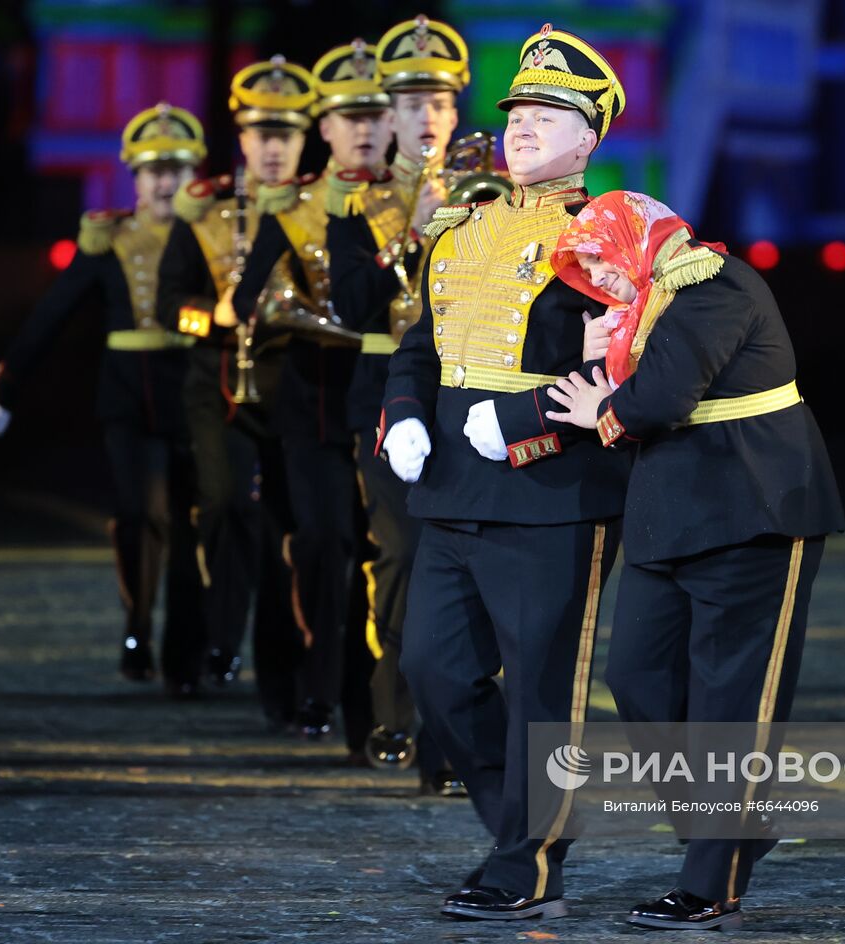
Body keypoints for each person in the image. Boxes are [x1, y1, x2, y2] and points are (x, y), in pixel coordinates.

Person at [378, 23, 630, 921]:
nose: (522, 123)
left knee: (541, 692)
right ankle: (513, 828)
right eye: (518, 107)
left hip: (552, 493)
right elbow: (419, 346)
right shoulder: (462, 228)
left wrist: (519, 420)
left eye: (549, 109)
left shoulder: (615, 239)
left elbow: (626, 371)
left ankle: (530, 856)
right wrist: (405, 415)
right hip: (451, 487)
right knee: (433, 668)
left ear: (589, 136)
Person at [543, 190, 844, 929]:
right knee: (637, 679)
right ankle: (733, 828)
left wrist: (604, 407)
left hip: (755, 510)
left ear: (638, 240)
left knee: (730, 706)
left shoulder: (713, 281)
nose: (604, 284)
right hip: (671, 515)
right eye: (589, 273)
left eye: (604, 264)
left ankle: (713, 879)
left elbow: (664, 398)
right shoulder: (641, 310)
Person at [0, 103, 207, 697]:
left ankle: (186, 654)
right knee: (139, 514)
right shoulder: (109, 239)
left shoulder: (212, 235)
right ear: (134, 176)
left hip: (197, 389)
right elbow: (52, 314)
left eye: (177, 169)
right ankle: (137, 624)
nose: (164, 182)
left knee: (192, 526)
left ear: (194, 175)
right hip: (129, 395)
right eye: (153, 170)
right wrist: (5, 386)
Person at [322, 14, 474, 790]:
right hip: (386, 399)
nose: (425, 118)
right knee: (405, 558)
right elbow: (349, 307)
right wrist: (403, 240)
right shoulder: (355, 209)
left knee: (473, 571)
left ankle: (452, 741)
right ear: (388, 113)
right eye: (409, 103)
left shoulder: (494, 191)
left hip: (477, 399)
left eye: (438, 103)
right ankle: (396, 714)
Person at [229, 39, 394, 750]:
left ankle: (375, 711)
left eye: (374, 115)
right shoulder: (293, 210)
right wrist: (294, 310)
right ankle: (318, 691)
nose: (362, 128)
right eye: (345, 117)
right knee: (324, 546)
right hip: (314, 398)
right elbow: (242, 302)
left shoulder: (415, 203)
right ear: (321, 128)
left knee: (379, 553)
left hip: (393, 395)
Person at [157, 56, 317, 728]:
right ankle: (220, 637)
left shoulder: (320, 209)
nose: (274, 147)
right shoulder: (208, 211)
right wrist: (212, 314)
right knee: (224, 504)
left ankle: (283, 685)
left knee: (289, 537)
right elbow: (169, 304)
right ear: (243, 140)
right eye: (261, 134)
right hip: (216, 382)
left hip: (295, 385)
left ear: (305, 139)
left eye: (286, 134)